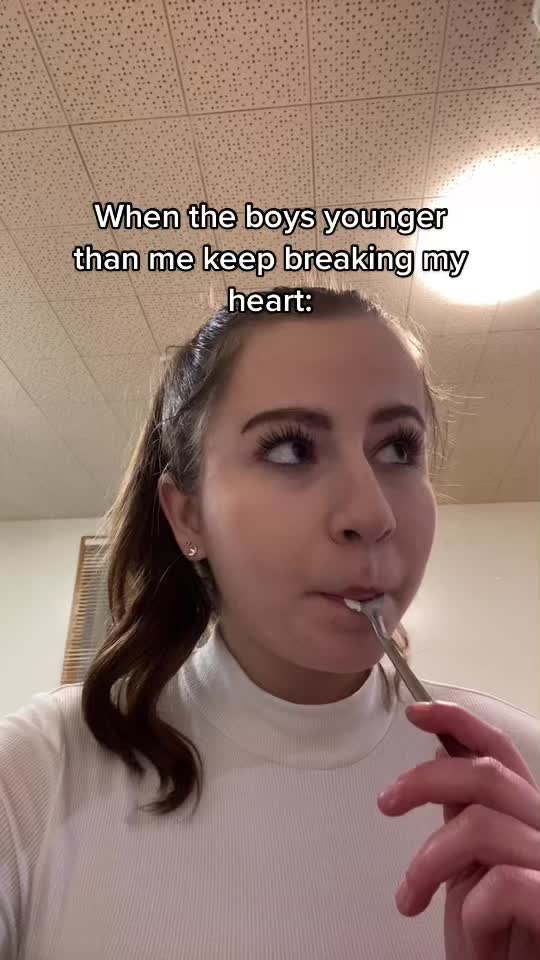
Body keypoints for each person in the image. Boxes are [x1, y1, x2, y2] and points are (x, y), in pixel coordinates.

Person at [1, 286, 539, 959]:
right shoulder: (33, 777)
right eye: (290, 450)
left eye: (399, 448)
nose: (372, 514)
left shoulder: (522, 776)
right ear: (188, 515)